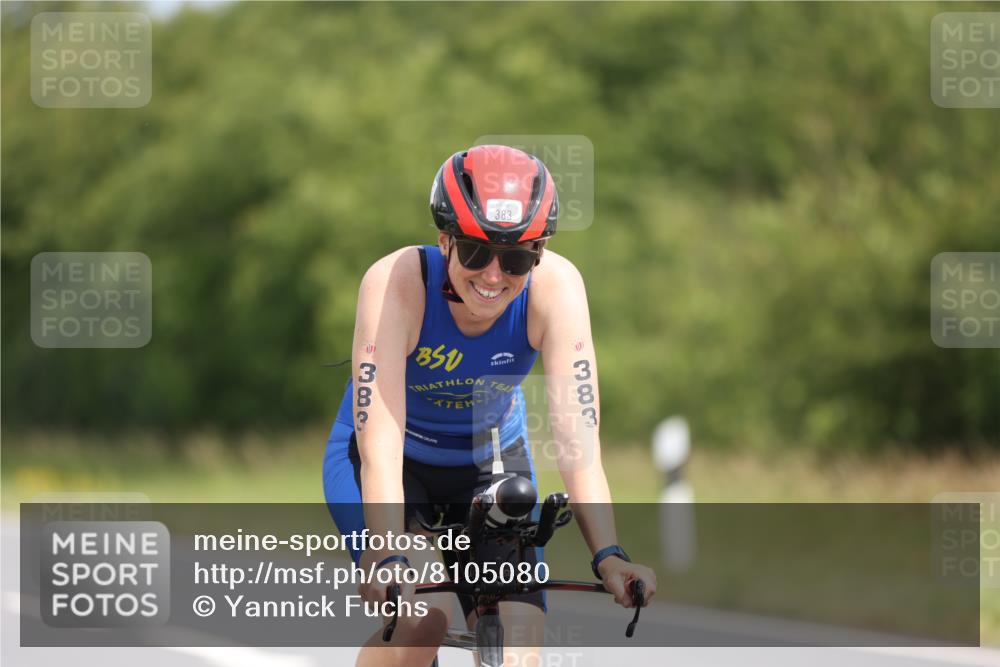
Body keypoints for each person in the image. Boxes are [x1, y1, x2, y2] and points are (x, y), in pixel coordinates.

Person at [323, 144, 656, 666]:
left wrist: (609, 554)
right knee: (423, 620)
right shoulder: (396, 283)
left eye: (518, 257)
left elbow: (577, 444)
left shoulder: (558, 289)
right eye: (477, 252)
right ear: (444, 240)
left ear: (539, 254)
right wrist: (386, 552)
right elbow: (380, 441)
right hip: (389, 463)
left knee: (519, 645)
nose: (494, 276)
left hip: (489, 466)